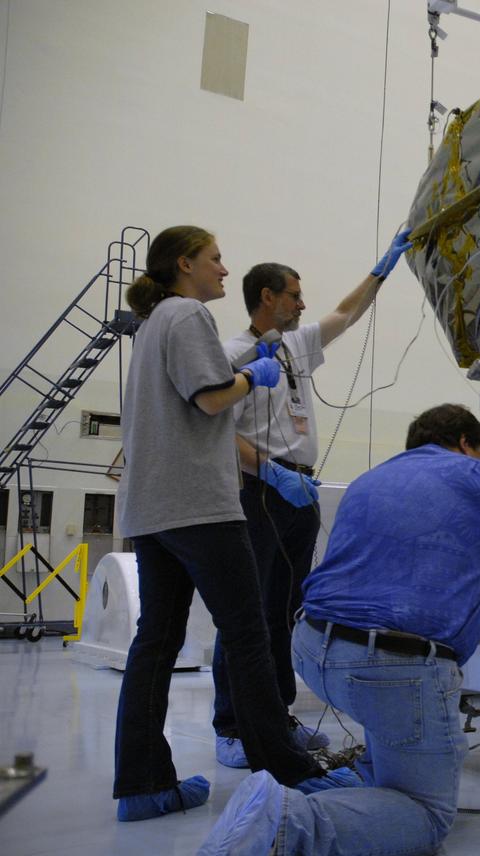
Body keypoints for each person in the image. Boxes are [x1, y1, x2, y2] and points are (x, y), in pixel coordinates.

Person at [200, 404, 480, 855]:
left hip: (313, 647)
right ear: (466, 443)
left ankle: (339, 789)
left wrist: (477, 627)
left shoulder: (370, 480)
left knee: (388, 714)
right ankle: (286, 821)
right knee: (426, 813)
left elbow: (393, 584)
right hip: (389, 668)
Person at [112, 226, 355, 824]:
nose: (224, 270)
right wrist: (253, 378)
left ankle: (143, 784)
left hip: (151, 507)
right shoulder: (189, 313)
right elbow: (211, 398)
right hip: (199, 503)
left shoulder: (152, 324)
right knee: (249, 632)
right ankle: (288, 767)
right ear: (184, 263)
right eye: (215, 259)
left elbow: (200, 382)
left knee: (156, 642)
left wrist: (250, 361)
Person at [212, 230, 412, 768]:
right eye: (295, 295)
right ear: (268, 297)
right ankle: (231, 726)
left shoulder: (297, 345)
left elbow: (346, 314)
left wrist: (382, 269)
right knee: (248, 610)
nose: (303, 304)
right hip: (259, 490)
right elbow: (218, 431)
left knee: (285, 610)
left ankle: (276, 717)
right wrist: (271, 472)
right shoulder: (233, 355)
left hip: (300, 489)